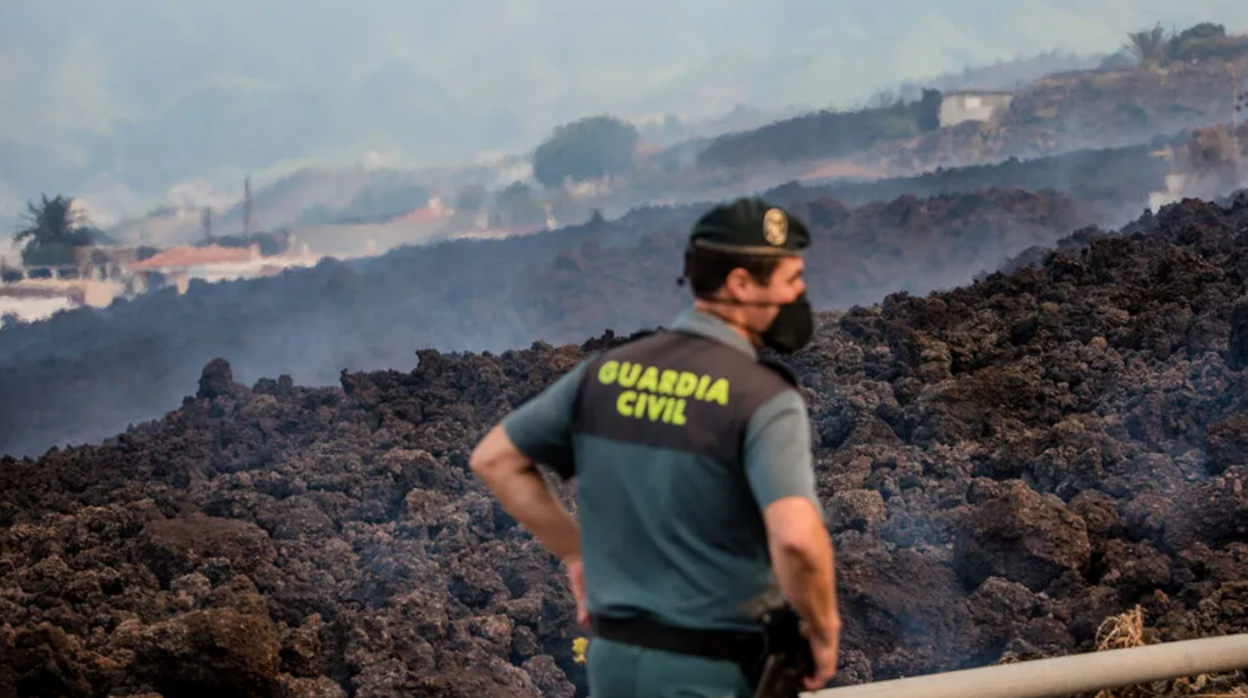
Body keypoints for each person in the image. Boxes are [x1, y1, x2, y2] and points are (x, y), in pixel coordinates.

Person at [469, 197, 841, 698]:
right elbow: (797, 538)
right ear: (740, 285)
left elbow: (495, 460)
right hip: (710, 672)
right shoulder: (762, 398)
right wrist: (822, 631)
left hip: (614, 666)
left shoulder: (603, 374)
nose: (799, 293)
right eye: (790, 278)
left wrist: (577, 554)